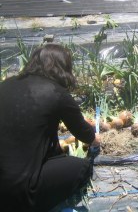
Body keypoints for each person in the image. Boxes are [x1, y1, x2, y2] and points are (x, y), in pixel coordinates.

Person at [0, 44, 100, 212]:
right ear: (63, 67)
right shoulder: (57, 92)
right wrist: (95, 138)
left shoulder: (6, 84)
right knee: (82, 167)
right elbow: (84, 133)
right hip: (19, 191)